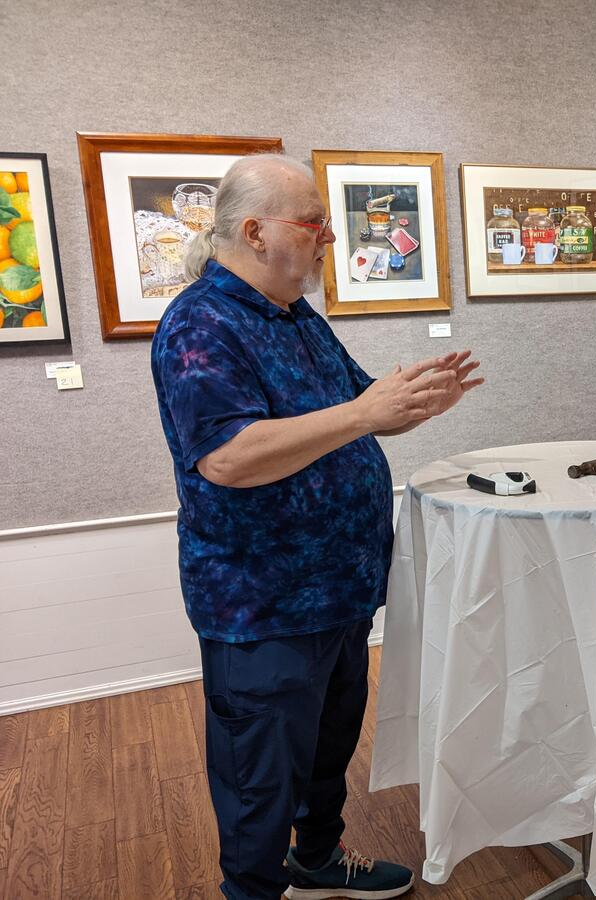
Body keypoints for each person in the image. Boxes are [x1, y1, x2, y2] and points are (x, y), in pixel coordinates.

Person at [150, 154, 483, 900]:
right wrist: (365, 414)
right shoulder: (197, 326)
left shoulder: (297, 316)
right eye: (313, 221)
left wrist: (412, 400)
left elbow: (353, 413)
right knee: (259, 777)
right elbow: (229, 459)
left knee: (326, 751)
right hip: (261, 603)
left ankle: (318, 858)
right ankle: (254, 890)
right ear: (254, 232)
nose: (330, 236)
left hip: (337, 590)